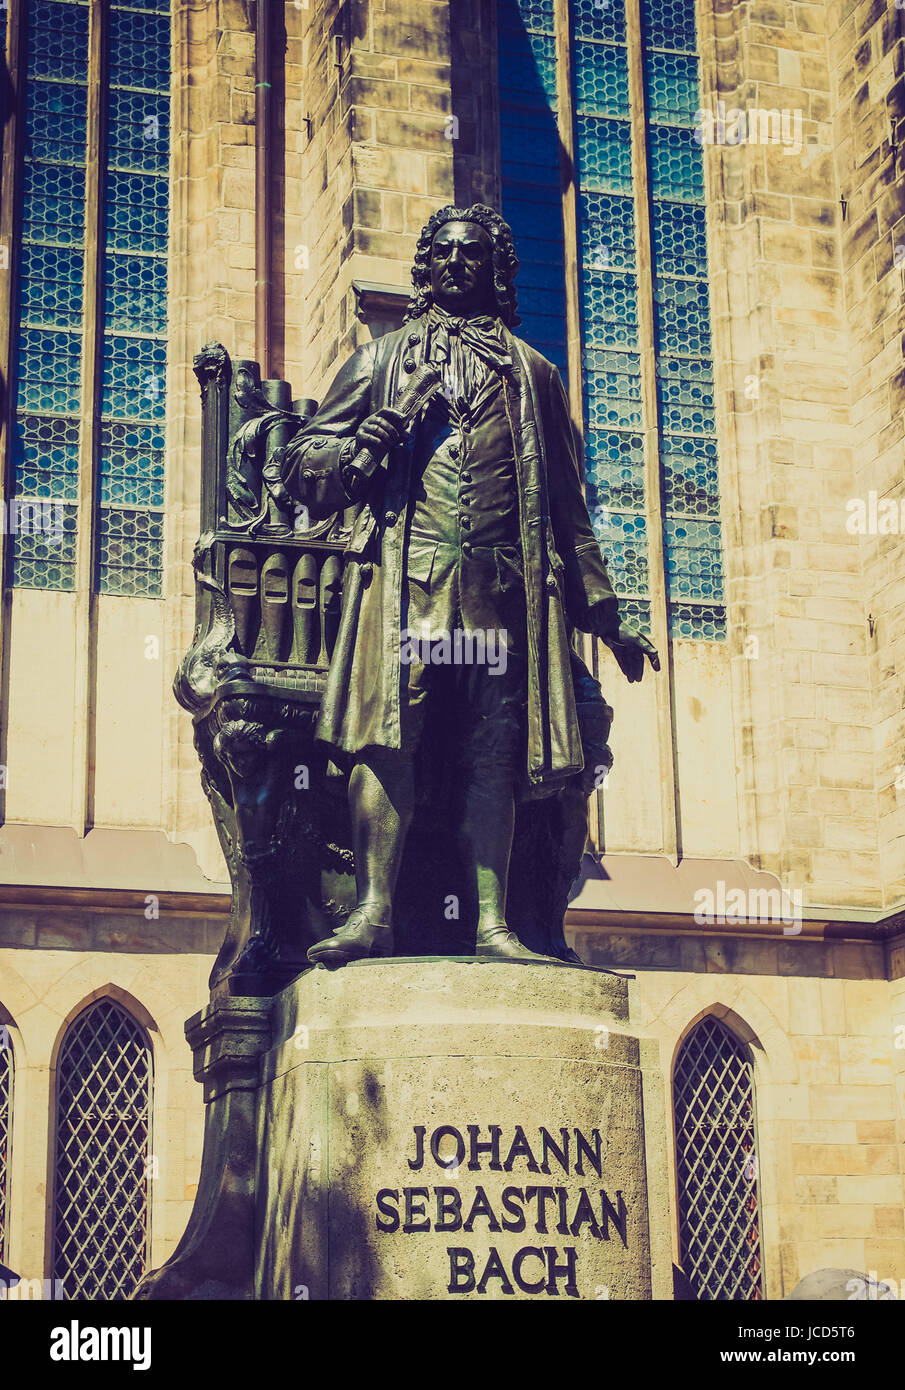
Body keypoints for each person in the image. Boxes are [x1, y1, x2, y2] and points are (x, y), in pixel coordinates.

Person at [281, 204, 658, 966]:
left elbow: (565, 509)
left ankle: (493, 926)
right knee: (386, 738)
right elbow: (303, 469)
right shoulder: (381, 362)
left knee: (496, 753)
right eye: (445, 253)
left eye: (474, 255)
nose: (458, 264)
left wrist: (606, 614)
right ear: (425, 267)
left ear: (496, 270)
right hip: (404, 584)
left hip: (502, 594)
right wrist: (373, 433)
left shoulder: (534, 374)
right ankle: (374, 914)